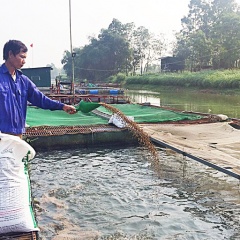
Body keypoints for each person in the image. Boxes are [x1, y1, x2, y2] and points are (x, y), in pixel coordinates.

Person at [0, 40, 76, 138]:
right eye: (21, 57)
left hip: (18, 134)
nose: (24, 61)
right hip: (2, 135)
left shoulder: (23, 81)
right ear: (10, 54)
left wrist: (62, 106)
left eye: (25, 58)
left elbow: (40, 99)